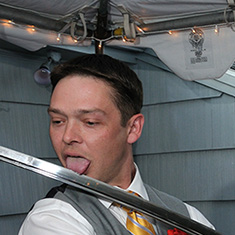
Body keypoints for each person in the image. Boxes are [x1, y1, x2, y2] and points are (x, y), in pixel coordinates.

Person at [19, 54, 215, 235]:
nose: (67, 137)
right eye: (58, 121)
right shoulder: (51, 220)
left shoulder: (189, 216)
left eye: (90, 122)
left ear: (132, 129)